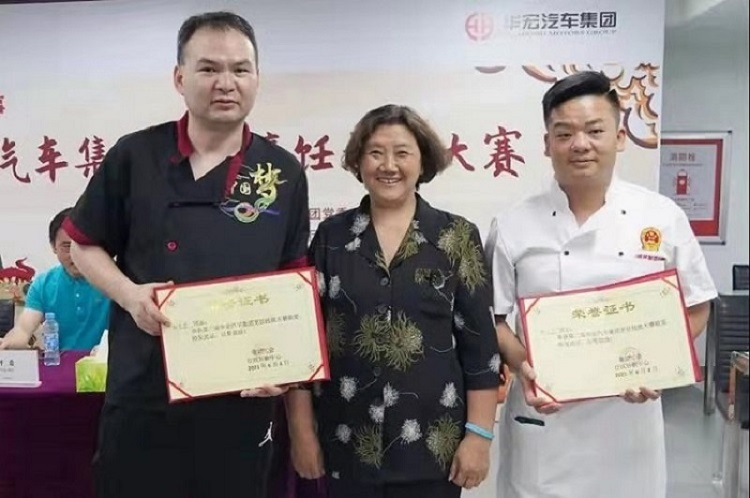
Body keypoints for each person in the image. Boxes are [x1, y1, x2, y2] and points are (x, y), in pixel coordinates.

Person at [62, 11, 309, 498]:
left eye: (240, 69)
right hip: (144, 390)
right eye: (209, 68)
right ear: (179, 78)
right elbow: (83, 244)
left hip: (241, 399)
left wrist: (285, 365)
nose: (226, 83)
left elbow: (292, 277)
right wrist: (130, 295)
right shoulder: (135, 156)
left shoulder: (282, 172)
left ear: (257, 78)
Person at [484, 71, 718, 498]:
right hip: (545, 424)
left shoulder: (662, 216)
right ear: (547, 144)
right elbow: (494, 319)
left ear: (619, 137)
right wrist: (524, 365)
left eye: (595, 131)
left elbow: (697, 304)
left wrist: (655, 363)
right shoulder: (513, 224)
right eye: (564, 133)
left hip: (629, 424)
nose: (580, 144)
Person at [286, 104, 502, 498]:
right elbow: (304, 344)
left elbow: (481, 347)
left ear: (423, 162)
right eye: (375, 152)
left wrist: (479, 435)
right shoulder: (332, 237)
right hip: (346, 444)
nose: (389, 165)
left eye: (402, 153)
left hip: (434, 449)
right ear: (359, 161)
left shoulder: (455, 236)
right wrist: (302, 434)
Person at [0, 207, 109, 351]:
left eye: (83, 245)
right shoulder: (43, 285)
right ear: (53, 246)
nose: (75, 254)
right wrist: (8, 343)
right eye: (66, 246)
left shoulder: (115, 281)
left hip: (107, 362)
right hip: (59, 363)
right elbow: (23, 329)